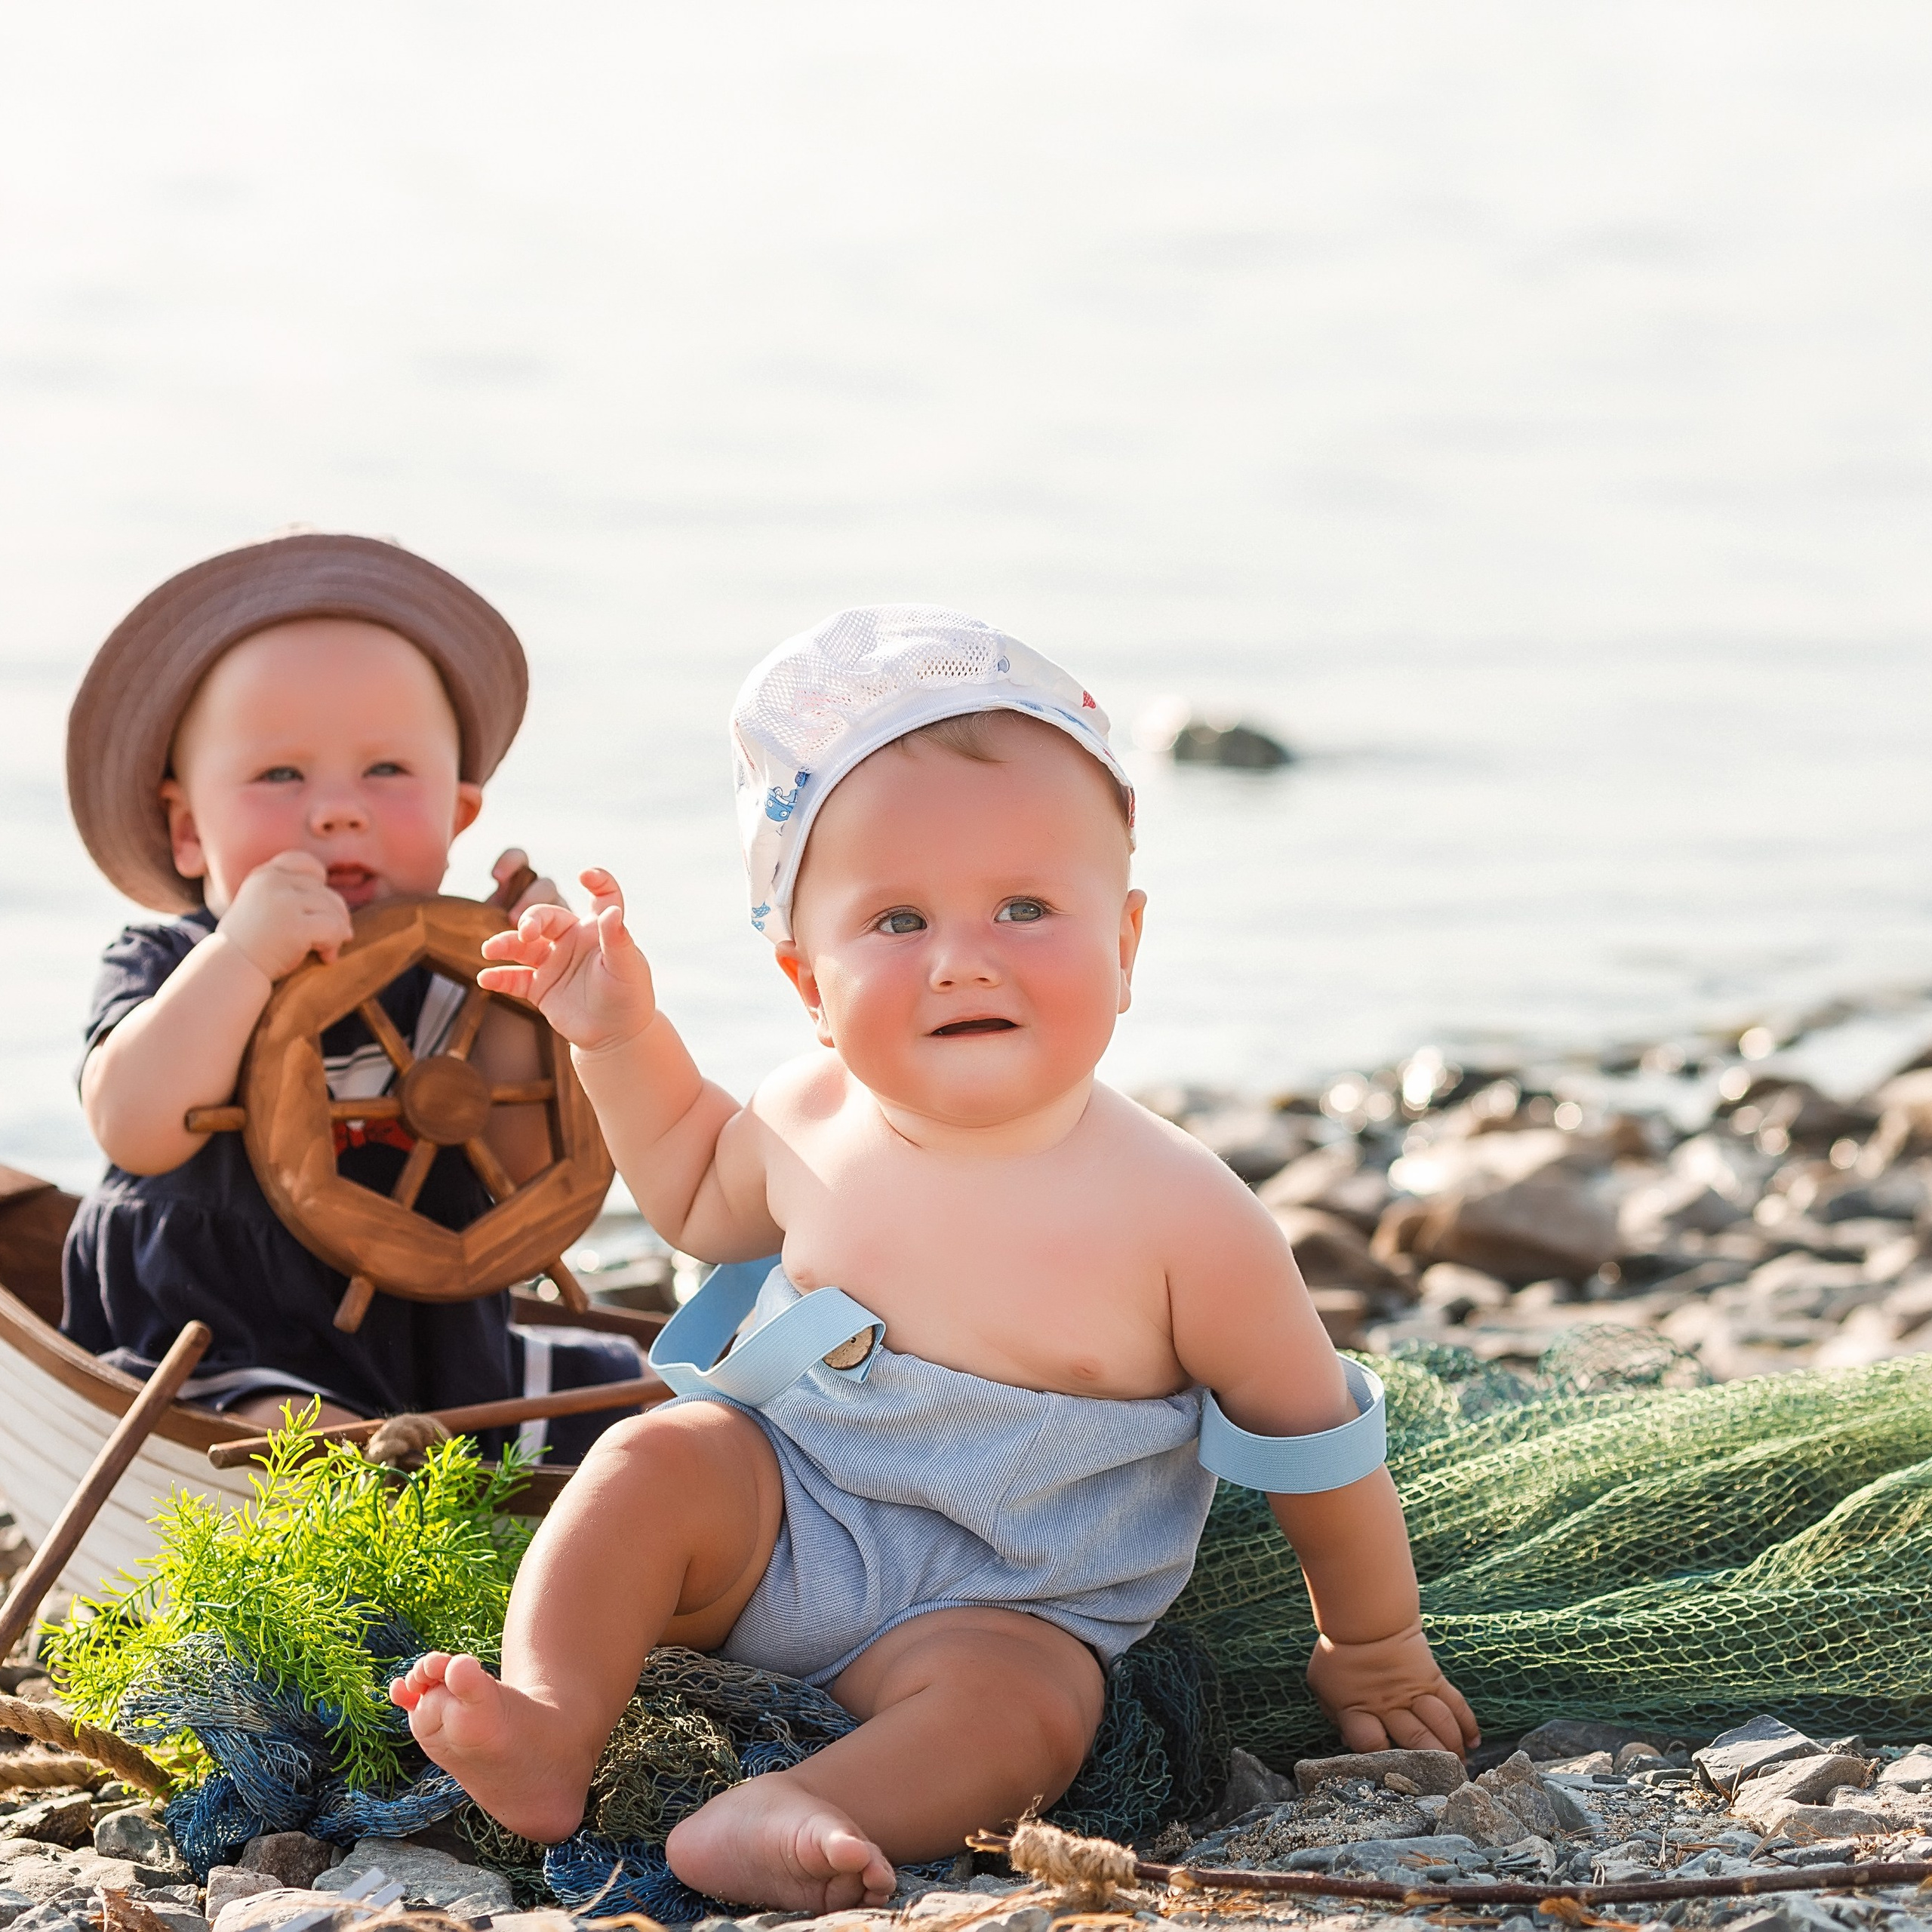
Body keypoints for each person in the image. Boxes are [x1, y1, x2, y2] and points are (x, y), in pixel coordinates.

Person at [392, 605, 1478, 1911]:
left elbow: (1315, 1447)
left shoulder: (1184, 1213)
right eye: (897, 922)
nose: (964, 958)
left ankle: (801, 1811)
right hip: (778, 1521)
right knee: (650, 1461)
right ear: (807, 979)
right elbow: (688, 1192)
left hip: (1005, 1605)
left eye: (1025, 906)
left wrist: (1372, 1646)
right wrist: (616, 1032)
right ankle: (555, 1724)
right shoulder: (806, 1117)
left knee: (1028, 1717)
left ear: (1125, 946)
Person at [61, 531, 635, 1450]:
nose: (337, 807)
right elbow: (132, 1122)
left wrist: (543, 988)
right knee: (284, 1424)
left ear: (458, 817)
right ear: (186, 831)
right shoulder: (171, 957)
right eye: (279, 773)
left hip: (439, 1347)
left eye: (386, 770)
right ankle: (360, 1473)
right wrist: (245, 956)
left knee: (657, 1397)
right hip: (215, 1335)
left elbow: (529, 1165)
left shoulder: (458, 977)